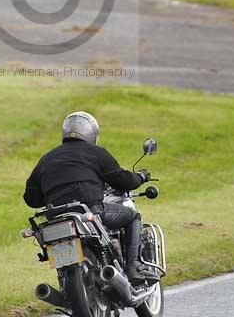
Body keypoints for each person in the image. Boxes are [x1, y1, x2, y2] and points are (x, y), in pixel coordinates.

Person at [23, 111, 158, 284]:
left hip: (55, 218)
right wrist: (140, 177)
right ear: (92, 133)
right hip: (90, 210)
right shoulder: (95, 152)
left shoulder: (47, 158)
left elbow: (31, 199)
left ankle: (66, 284)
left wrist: (53, 194)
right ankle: (134, 267)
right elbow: (122, 180)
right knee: (133, 216)